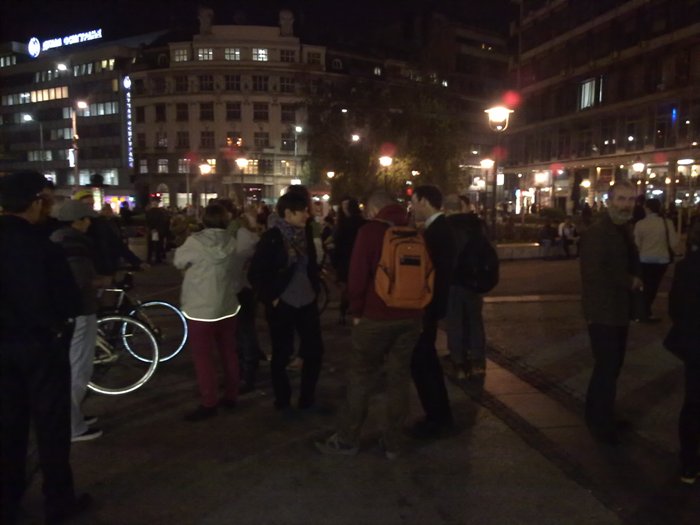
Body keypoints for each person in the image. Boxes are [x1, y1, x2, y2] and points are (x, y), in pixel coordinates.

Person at [0, 171, 91, 524]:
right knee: (51, 426)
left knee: (9, 425)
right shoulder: (43, 246)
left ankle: (8, 499)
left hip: (4, 346)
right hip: (41, 345)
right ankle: (57, 500)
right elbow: (69, 301)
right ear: (36, 202)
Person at [315, 191, 423, 458]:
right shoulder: (413, 231)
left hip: (376, 316)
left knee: (361, 376)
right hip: (410, 316)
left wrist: (356, 310)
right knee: (399, 378)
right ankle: (393, 442)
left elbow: (357, 277)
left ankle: (348, 439)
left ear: (374, 210)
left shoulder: (370, 232)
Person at [248, 191, 324, 412]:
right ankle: (282, 399)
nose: (307, 215)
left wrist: (314, 287)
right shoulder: (272, 237)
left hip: (307, 300)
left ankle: (307, 398)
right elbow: (256, 273)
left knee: (314, 351)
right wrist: (272, 298)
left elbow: (311, 265)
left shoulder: (306, 234)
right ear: (288, 213)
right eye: (303, 212)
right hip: (283, 303)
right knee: (282, 352)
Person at [579, 180, 642, 445]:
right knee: (607, 366)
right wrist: (629, 281)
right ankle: (601, 422)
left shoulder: (623, 228)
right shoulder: (598, 231)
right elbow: (594, 272)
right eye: (621, 199)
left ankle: (599, 414)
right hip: (602, 309)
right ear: (608, 201)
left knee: (611, 366)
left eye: (630, 199)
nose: (626, 204)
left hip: (618, 308)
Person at [173, 203, 243, 421]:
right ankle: (231, 394)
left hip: (200, 307)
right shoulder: (232, 241)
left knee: (203, 357)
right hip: (227, 304)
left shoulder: (195, 242)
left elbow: (178, 261)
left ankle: (209, 401)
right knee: (228, 352)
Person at [50, 200, 106, 442]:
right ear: (77, 221)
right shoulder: (74, 244)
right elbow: (81, 280)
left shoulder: (57, 239)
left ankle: (74, 417)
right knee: (79, 369)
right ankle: (72, 426)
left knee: (75, 367)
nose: (89, 223)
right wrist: (104, 281)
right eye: (86, 219)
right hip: (80, 310)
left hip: (69, 312)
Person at [409, 185, 456, 438]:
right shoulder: (439, 229)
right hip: (432, 305)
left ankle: (437, 417)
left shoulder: (437, 232)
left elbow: (435, 274)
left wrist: (428, 307)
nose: (412, 206)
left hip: (428, 306)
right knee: (426, 361)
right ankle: (438, 415)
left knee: (423, 362)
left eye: (414, 201)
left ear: (425, 201)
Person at [667, 219, 700, 484]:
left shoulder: (686, 267)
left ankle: (689, 464)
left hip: (694, 345)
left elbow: (675, 308)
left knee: (693, 403)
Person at [444, 195, 490, 380]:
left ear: (447, 209)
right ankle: (478, 361)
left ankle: (459, 363)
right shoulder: (477, 225)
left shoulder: (447, 227)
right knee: (475, 321)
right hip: (473, 281)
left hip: (454, 282)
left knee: (454, 322)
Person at [73, 189, 145, 275]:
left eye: (91, 204)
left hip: (104, 268)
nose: (89, 207)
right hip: (83, 271)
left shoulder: (100, 223)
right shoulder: (71, 226)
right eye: (86, 204)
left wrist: (136, 262)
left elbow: (116, 243)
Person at [234, 206, 264, 394]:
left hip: (240, 288)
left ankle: (246, 372)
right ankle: (249, 366)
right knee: (246, 329)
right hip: (248, 288)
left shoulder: (242, 236)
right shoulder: (254, 237)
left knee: (243, 331)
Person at [633, 198, 677, 323]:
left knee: (646, 286)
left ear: (647, 208)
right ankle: (645, 311)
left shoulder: (641, 224)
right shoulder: (667, 223)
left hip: (644, 259)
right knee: (653, 286)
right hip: (661, 259)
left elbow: (636, 244)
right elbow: (673, 242)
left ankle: (642, 311)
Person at [331, 196, 366, 324]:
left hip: (353, 258)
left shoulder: (357, 223)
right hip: (345, 259)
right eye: (343, 205)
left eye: (347, 205)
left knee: (352, 287)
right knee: (346, 288)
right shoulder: (342, 223)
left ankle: (349, 311)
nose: (345, 208)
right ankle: (345, 311)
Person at [145, 197, 170, 264]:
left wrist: (151, 228)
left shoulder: (149, 212)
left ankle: (149, 258)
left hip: (152, 230)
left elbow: (147, 221)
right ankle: (158, 258)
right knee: (158, 244)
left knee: (151, 245)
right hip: (158, 230)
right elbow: (163, 221)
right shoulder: (161, 212)